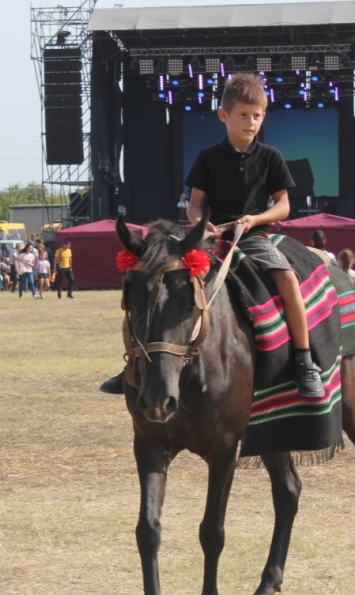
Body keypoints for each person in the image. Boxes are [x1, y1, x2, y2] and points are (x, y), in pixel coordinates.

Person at [103, 72, 323, 397]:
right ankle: (134, 367)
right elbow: (194, 206)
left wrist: (254, 219)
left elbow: (284, 206)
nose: (251, 122)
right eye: (243, 115)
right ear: (224, 115)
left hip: (253, 238)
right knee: (158, 286)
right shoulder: (208, 157)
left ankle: (304, 361)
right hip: (209, 240)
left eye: (257, 115)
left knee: (288, 280)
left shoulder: (271, 157)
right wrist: (200, 224)